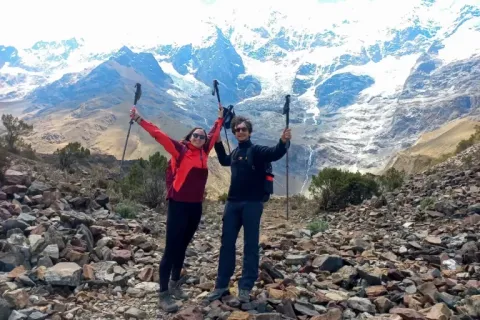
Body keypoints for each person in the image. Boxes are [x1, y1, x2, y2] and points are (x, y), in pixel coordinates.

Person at [130, 105, 224, 313]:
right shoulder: (180, 150)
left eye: (201, 136)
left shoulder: (204, 152)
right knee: (171, 247)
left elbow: (214, 133)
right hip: (178, 205)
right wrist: (138, 119)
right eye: (195, 135)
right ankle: (163, 293)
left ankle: (174, 283)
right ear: (189, 137)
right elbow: (159, 135)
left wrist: (220, 118)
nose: (199, 138)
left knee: (183, 245)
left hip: (195, 207)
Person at [207, 115, 292, 303]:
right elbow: (223, 160)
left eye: (244, 129)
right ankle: (221, 286)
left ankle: (245, 287)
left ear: (249, 132)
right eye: (237, 129)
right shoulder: (236, 152)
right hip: (232, 204)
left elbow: (275, 152)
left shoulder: (257, 150)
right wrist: (219, 142)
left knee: (250, 245)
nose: (240, 132)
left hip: (252, 204)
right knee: (226, 244)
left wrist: (283, 141)